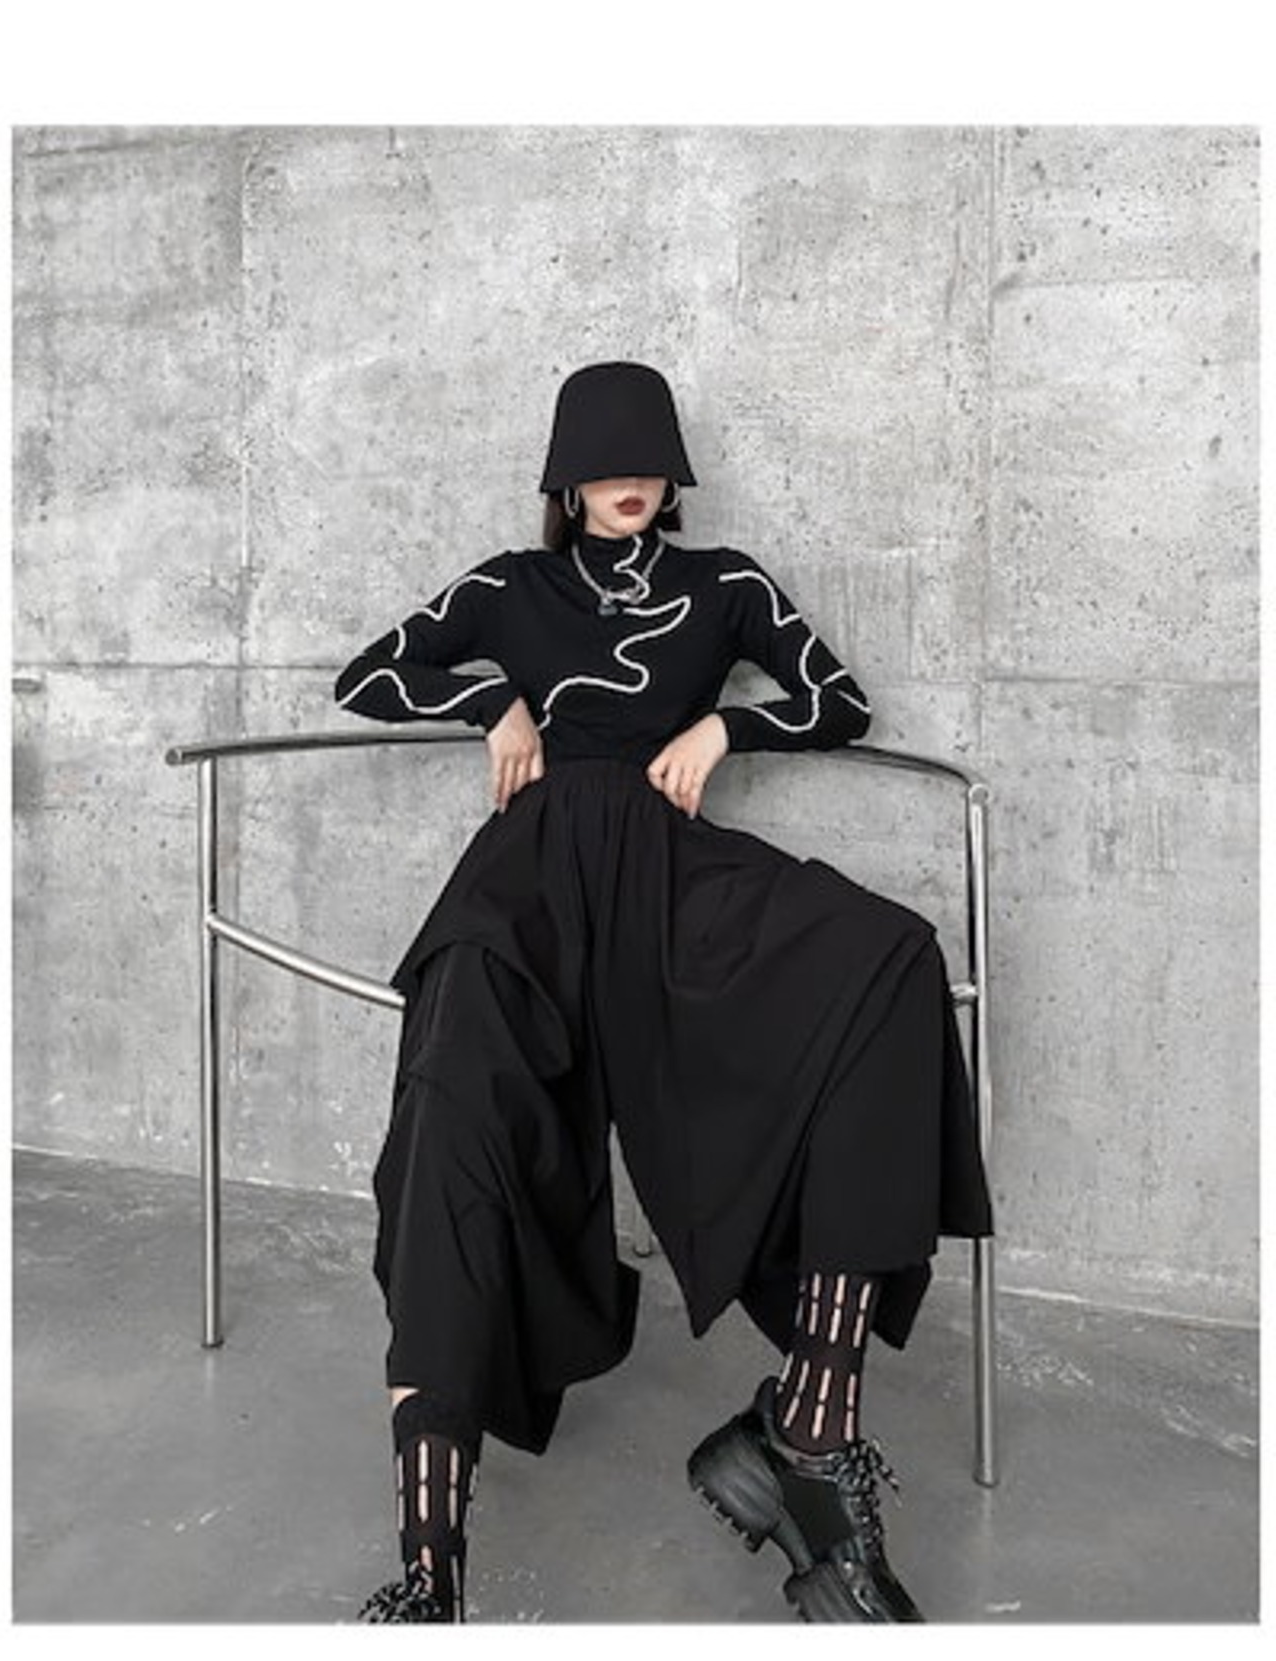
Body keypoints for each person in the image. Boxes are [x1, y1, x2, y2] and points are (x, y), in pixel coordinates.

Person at [335, 361, 993, 1625]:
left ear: (672, 469)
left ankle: (808, 1425)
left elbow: (838, 698)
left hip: (665, 878)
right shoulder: (509, 587)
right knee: (453, 1130)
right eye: (601, 458)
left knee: (886, 961)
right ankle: (429, 1569)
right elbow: (371, 672)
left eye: (646, 455)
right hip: (520, 897)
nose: (627, 477)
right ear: (564, 476)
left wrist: (727, 728)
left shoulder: (722, 584)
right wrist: (492, 699)